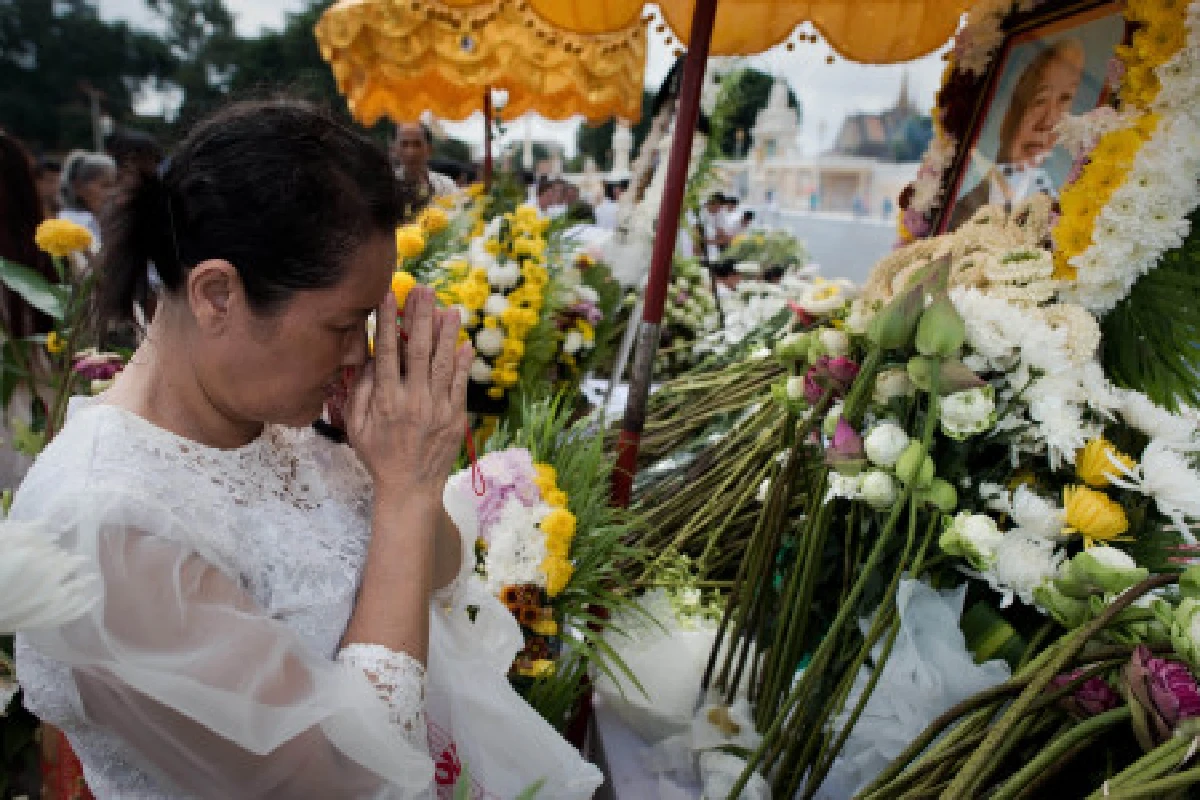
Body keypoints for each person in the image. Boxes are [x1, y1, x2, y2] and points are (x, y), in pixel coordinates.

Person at [13, 99, 596, 799]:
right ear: (217, 294)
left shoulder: (280, 413)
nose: (357, 356)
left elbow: (436, 577)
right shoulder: (111, 524)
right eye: (343, 324)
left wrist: (403, 473)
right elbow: (340, 777)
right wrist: (408, 494)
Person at [948, 38, 1084, 231]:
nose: (1049, 122)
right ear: (1006, 113)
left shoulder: (1058, 208)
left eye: (1065, 99)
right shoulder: (960, 213)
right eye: (1040, 98)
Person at [392, 122, 457, 214]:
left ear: (429, 150)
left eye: (417, 144)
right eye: (404, 144)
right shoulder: (386, 186)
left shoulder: (446, 186)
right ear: (394, 150)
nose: (411, 153)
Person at [58, 150, 117, 244]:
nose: (112, 193)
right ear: (78, 187)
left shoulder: (114, 221)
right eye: (105, 186)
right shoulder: (68, 224)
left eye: (114, 186)